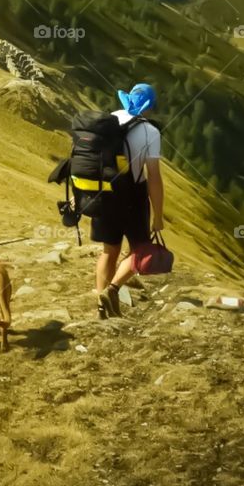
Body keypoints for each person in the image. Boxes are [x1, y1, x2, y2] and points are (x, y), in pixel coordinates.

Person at [95, 83, 164, 319]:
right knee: (140, 249)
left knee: (108, 251)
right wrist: (158, 215)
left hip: (104, 193)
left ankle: (101, 305)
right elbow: (153, 176)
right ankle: (112, 290)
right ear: (150, 106)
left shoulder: (111, 118)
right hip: (133, 196)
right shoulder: (150, 132)